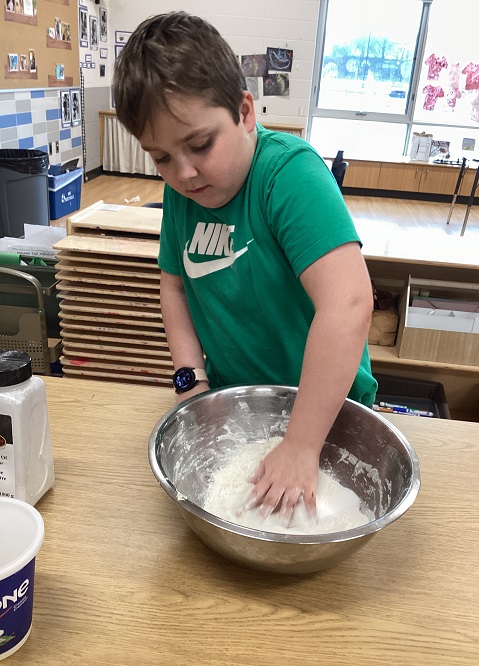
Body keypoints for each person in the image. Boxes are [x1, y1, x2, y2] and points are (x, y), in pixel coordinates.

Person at [114, 12, 377, 524]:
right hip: (237, 403)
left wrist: (301, 443)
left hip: (327, 410)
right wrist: (192, 385)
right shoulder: (182, 193)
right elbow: (174, 287)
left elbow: (348, 304)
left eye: (200, 145)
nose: (184, 173)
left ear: (245, 112)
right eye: (161, 157)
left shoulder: (289, 176)